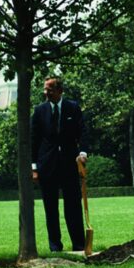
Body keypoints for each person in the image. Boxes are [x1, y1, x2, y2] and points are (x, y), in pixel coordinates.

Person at [31, 76, 88, 252]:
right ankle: (55, 245)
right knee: (51, 208)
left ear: (60, 91)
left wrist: (83, 153)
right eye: (45, 89)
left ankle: (79, 244)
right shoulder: (39, 111)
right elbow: (34, 140)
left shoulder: (73, 107)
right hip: (47, 166)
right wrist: (34, 167)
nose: (46, 92)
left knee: (73, 206)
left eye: (50, 89)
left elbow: (83, 131)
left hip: (70, 164)